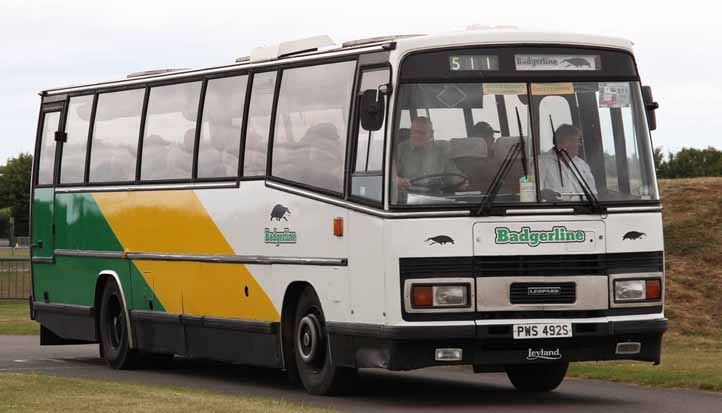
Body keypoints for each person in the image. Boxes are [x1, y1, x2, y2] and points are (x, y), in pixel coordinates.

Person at [395, 117, 466, 192]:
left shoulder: (440, 153)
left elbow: (454, 175)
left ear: (431, 133)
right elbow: (388, 176)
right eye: (414, 132)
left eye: (422, 133)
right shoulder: (400, 151)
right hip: (407, 200)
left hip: (436, 198)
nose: (417, 135)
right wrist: (397, 180)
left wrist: (460, 181)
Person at [539, 124, 597, 200]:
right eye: (572, 141)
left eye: (577, 141)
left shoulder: (583, 165)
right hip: (556, 210)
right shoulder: (541, 162)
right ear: (559, 143)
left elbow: (594, 195)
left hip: (584, 210)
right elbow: (534, 193)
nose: (577, 144)